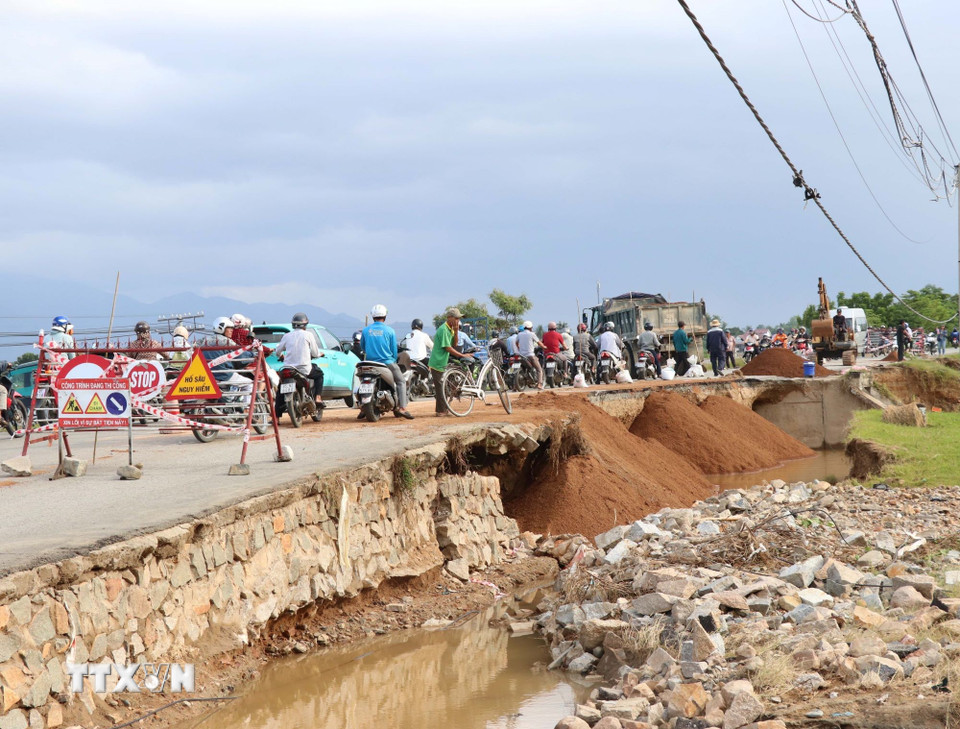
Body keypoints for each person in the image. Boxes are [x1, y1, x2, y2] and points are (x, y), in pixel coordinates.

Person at [360, 304, 413, 420]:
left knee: (361, 380)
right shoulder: (390, 331)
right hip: (387, 362)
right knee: (401, 381)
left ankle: (362, 407)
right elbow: (393, 350)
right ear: (385, 316)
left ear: (373, 316)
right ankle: (402, 408)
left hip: (369, 363)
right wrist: (393, 359)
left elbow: (363, 347)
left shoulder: (365, 331)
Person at [428, 308, 476, 416]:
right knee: (440, 387)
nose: (458, 320)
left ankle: (444, 409)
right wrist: (462, 355)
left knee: (444, 386)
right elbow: (448, 348)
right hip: (437, 362)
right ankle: (440, 411)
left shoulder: (451, 329)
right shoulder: (443, 329)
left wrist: (456, 331)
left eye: (459, 318)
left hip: (443, 361)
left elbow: (454, 344)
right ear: (449, 318)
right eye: (456, 318)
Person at [273, 313, 325, 412]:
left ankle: (277, 417)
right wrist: (320, 354)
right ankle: (318, 397)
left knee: (280, 389)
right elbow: (315, 352)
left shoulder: (287, 336)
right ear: (305, 324)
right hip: (304, 369)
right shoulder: (308, 335)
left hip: (288, 368)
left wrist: (281, 356)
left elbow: (278, 351)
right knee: (319, 375)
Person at [517, 320, 545, 389]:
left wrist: (519, 348)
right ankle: (539, 384)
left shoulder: (519, 334)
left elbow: (516, 342)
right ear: (531, 328)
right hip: (530, 355)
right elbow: (539, 343)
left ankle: (516, 386)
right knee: (539, 369)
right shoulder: (532, 334)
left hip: (522, 356)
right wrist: (544, 347)